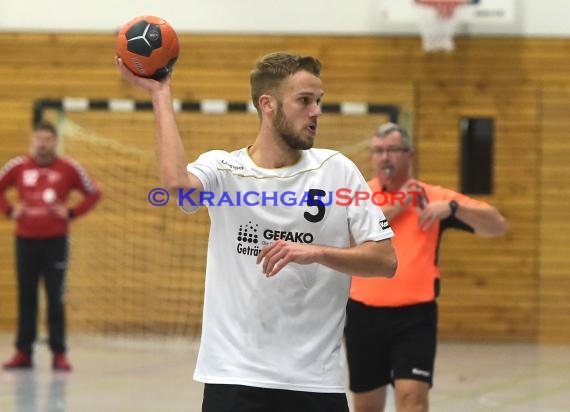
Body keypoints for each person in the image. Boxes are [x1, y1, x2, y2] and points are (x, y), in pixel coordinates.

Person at [115, 52, 397, 412]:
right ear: (268, 104)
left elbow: (385, 260)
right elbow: (175, 184)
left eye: (319, 101)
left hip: (314, 381)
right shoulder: (224, 168)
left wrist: (316, 252)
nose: (316, 112)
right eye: (305, 101)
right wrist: (160, 94)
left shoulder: (337, 171)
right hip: (233, 376)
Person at [344, 122, 508, 412]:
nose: (385, 157)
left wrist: (454, 209)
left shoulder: (432, 197)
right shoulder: (360, 195)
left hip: (414, 318)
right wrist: (399, 205)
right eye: (378, 151)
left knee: (413, 399)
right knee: (366, 405)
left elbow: (497, 224)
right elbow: (348, 234)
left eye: (393, 150)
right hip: (363, 315)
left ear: (410, 155)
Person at [0, 121, 101, 371]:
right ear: (32, 140)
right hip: (25, 240)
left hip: (56, 242)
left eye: (47, 139)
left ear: (55, 141)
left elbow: (93, 192)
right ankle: (24, 352)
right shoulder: (18, 166)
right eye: (39, 139)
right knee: (27, 296)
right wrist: (10, 210)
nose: (42, 143)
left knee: (55, 297)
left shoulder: (68, 168)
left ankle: (59, 353)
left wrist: (71, 213)